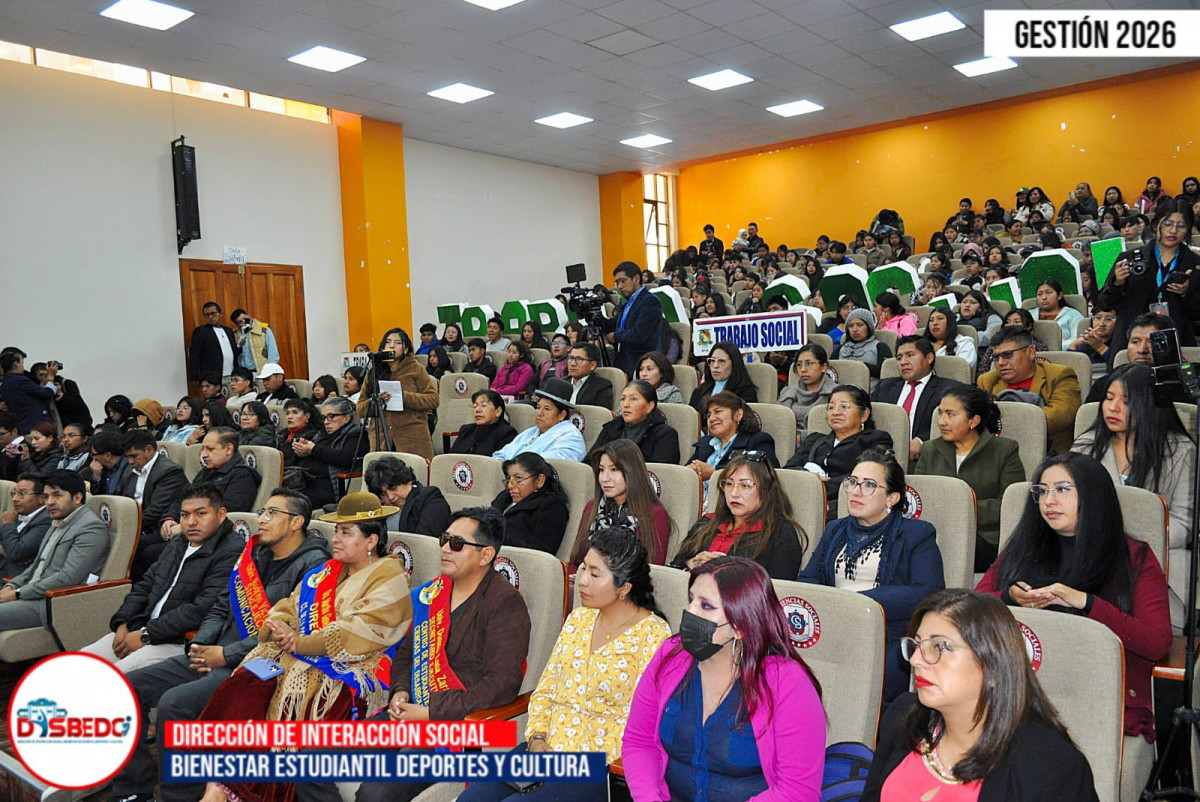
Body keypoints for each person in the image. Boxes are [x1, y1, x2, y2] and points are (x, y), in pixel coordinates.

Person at [114, 489, 330, 802]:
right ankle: (132, 789)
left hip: (258, 663)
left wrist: (225, 655)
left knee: (175, 704)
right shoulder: (255, 553)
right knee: (125, 686)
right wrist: (202, 644)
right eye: (263, 511)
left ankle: (178, 797)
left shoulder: (313, 568)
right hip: (214, 651)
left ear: (296, 522)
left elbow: (285, 633)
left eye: (272, 513)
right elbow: (219, 606)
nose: (262, 519)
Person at [197, 492, 413, 802]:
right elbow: (286, 606)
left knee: (301, 703)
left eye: (345, 532)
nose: (335, 539)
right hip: (288, 656)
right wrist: (282, 627)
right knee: (242, 689)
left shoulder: (389, 580)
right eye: (336, 531)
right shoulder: (324, 572)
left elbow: (359, 634)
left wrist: (299, 641)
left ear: (371, 541)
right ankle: (217, 790)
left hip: (346, 672)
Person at [459, 528, 672, 802]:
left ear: (624, 587)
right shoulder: (579, 620)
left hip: (596, 764)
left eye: (595, 575)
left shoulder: (654, 636)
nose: (581, 580)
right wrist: (536, 738)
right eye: (583, 568)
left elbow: (648, 723)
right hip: (544, 750)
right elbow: (546, 690)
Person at [978, 453, 1171, 751]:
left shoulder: (1134, 558)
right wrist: (1008, 599)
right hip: (1019, 689)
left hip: (1095, 694)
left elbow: (1157, 642)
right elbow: (973, 605)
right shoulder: (1024, 547)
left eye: (1062, 489)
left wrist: (1088, 603)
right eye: (1042, 491)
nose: (1048, 501)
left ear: (1093, 496)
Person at [356, 507, 531, 802]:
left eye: (458, 544)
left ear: (485, 556)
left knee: (376, 793)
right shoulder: (432, 594)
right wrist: (400, 692)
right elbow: (407, 653)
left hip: (454, 727)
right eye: (444, 539)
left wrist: (429, 714)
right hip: (408, 711)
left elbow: (501, 684)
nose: (446, 549)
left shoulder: (505, 604)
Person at [861, 589, 1098, 801]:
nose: (915, 660)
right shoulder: (904, 715)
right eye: (918, 644)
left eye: (940, 647)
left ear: (993, 666)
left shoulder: (1051, 767)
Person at [623, 556, 825, 799]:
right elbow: (639, 742)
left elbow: (797, 792)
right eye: (691, 600)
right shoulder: (671, 656)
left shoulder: (787, 683)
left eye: (706, 606)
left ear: (741, 625)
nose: (689, 612)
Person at [800, 449, 945, 700]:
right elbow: (808, 581)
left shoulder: (917, 534)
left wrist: (860, 603)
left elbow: (928, 593)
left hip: (887, 635)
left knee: (876, 670)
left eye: (869, 485)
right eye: (853, 482)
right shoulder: (835, 530)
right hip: (834, 627)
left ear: (892, 497)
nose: (856, 491)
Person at [1073, 364, 1196, 628]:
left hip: (1155, 560)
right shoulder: (1085, 446)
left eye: (1126, 401)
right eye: (1108, 397)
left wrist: (1125, 540)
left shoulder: (1181, 452)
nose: (1112, 407)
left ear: (1149, 406)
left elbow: (1185, 522)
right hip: (1092, 557)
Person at [79, 481, 241, 675]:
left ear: (221, 515)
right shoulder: (180, 542)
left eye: (201, 514)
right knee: (79, 663)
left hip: (178, 640)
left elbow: (201, 609)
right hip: (141, 628)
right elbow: (145, 585)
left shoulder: (232, 550)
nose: (190, 522)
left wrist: (146, 635)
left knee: (111, 678)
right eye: (184, 515)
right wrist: (123, 623)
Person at [915, 386, 1024, 571]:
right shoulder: (929, 449)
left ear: (974, 421)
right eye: (940, 413)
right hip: (934, 533)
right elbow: (918, 498)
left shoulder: (1005, 450)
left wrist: (960, 510)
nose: (942, 421)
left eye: (950, 414)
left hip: (982, 537)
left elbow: (1010, 505)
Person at [0, 471, 110, 630]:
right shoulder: (60, 520)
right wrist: (12, 586)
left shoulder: (91, 528)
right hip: (31, 593)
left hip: (51, 602)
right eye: (46, 496)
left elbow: (67, 578)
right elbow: (37, 566)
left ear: (77, 497)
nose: (49, 502)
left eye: (57, 495)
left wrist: (18, 593)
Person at [674, 452, 806, 579]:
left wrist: (725, 570)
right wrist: (693, 564)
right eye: (729, 484)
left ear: (766, 490)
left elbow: (777, 591)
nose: (734, 493)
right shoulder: (707, 522)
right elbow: (674, 568)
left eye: (745, 485)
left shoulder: (780, 533)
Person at [1098, 199, 1198, 351]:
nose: (1173, 231)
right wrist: (1117, 283)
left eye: (1181, 226)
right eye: (1167, 224)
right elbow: (1105, 303)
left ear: (1189, 229)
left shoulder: (1195, 263)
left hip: (1176, 343)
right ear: (1155, 225)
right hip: (1131, 342)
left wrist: (1186, 293)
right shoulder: (1129, 258)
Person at [569, 439, 671, 571]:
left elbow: (653, 570)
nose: (605, 478)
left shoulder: (654, 514)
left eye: (614, 469)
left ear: (632, 472)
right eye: (601, 470)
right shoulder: (592, 507)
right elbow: (576, 560)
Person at [977, 326, 1082, 454]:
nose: (1000, 362)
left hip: (1048, 453)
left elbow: (1061, 416)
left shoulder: (1060, 375)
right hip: (997, 452)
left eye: (1007, 355)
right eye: (996, 357)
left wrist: (1006, 421)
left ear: (1031, 352)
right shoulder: (987, 381)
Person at [788, 385, 894, 504]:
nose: (835, 413)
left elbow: (869, 477)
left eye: (844, 407)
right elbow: (788, 470)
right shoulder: (814, 440)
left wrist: (818, 487)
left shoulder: (876, 439)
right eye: (831, 407)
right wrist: (807, 477)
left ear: (864, 414)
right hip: (803, 499)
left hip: (845, 504)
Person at [873, 336, 964, 466]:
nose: (903, 362)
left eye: (910, 355)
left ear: (929, 358)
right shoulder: (884, 387)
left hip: (924, 459)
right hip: (881, 459)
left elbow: (956, 424)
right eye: (899, 358)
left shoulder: (949, 389)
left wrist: (922, 441)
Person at [358, 328, 439, 460]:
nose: (391, 346)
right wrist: (375, 401)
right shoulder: (374, 372)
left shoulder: (416, 369)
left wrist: (404, 396)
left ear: (406, 349)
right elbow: (360, 408)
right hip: (381, 439)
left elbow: (433, 399)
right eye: (388, 342)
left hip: (412, 438)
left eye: (397, 343)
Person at [121, 429, 189, 578]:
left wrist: (127, 527)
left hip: (155, 527)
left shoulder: (169, 471)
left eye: (134, 456)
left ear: (149, 450)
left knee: (130, 545)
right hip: (136, 524)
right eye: (128, 457)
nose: (130, 461)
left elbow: (156, 511)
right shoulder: (131, 470)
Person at [289, 397, 368, 509]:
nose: (326, 422)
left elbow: (345, 458)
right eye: (324, 418)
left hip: (329, 488)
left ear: (347, 417)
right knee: (279, 496)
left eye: (331, 416)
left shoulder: (355, 434)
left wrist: (313, 450)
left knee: (292, 503)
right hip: (306, 483)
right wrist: (301, 452)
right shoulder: (321, 434)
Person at [686, 391, 778, 480]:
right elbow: (686, 471)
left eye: (717, 411)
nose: (712, 418)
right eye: (709, 415)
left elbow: (767, 476)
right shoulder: (705, 443)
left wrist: (715, 473)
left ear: (738, 415)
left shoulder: (758, 441)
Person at [490, 453, 570, 554]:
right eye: (509, 478)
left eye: (518, 478)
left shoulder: (552, 505)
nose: (510, 485)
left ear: (539, 480)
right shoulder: (504, 498)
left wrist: (496, 537)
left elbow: (541, 551)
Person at [588, 380, 680, 465]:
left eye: (633, 399)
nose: (625, 405)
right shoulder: (611, 429)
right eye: (623, 399)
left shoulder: (664, 435)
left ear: (650, 406)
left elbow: (661, 475)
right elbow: (590, 462)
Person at [493, 378, 587, 462]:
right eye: (538, 407)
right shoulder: (531, 432)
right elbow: (503, 453)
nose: (539, 413)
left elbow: (553, 463)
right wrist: (500, 461)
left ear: (562, 415)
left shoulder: (571, 436)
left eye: (547, 409)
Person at [366, 455, 450, 537]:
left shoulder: (430, 498)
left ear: (406, 480)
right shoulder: (379, 509)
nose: (391, 497)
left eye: (393, 488)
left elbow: (424, 542)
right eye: (383, 494)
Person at [609, 261, 664, 379]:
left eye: (623, 281)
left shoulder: (650, 301)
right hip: (623, 362)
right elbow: (615, 324)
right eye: (617, 282)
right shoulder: (627, 303)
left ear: (636, 279)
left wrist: (615, 336)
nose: (619, 286)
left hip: (640, 364)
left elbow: (638, 335)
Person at [190, 427, 261, 514]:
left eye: (210, 449)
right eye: (203, 449)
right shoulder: (205, 471)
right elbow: (185, 497)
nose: (203, 455)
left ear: (228, 449)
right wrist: (171, 518)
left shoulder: (242, 475)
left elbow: (230, 511)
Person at [778, 342, 837, 440]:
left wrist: (799, 437)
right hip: (785, 443)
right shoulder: (786, 392)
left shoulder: (836, 394)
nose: (803, 369)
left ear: (824, 367)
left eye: (809, 363)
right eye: (799, 365)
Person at [0, 473, 51, 578]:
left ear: (42, 498)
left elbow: (16, 552)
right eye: (14, 493)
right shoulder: (20, 513)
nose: (15, 499)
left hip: (13, 579)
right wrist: (6, 550)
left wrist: (8, 524)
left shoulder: (46, 520)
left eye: (22, 494)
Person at [689, 341, 757, 414]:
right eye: (712, 361)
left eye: (721, 361)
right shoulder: (699, 391)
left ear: (734, 363)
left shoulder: (746, 392)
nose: (715, 366)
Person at [835, 308, 892, 387]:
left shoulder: (880, 347)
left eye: (860, 325)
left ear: (869, 327)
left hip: (868, 393)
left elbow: (885, 373)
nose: (855, 329)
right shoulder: (841, 348)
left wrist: (858, 366)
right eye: (851, 326)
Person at [0, 350, 54, 433]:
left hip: (23, 425)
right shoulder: (20, 380)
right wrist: (50, 377)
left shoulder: (5, 384)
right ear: (16, 363)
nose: (23, 366)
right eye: (22, 363)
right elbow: (47, 393)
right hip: (35, 425)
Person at [451, 390, 518, 455]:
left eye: (483, 405)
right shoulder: (466, 430)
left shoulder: (506, 433)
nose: (477, 410)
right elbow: (450, 457)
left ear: (498, 411)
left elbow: (499, 463)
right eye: (475, 406)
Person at [188, 300, 238, 384]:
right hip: (213, 377)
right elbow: (194, 355)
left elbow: (233, 352)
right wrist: (194, 377)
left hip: (232, 375)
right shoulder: (201, 331)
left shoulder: (228, 331)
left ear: (220, 314)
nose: (210, 317)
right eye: (207, 315)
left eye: (213, 314)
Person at [230, 308, 281, 374]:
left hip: (261, 371)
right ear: (237, 325)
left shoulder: (264, 329)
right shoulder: (235, 334)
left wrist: (271, 371)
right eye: (240, 322)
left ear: (249, 316)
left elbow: (273, 353)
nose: (244, 321)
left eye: (244, 318)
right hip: (244, 373)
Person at [1067, 302, 1118, 367]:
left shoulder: (1121, 344)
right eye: (1098, 318)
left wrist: (1100, 347)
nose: (1101, 324)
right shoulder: (1084, 343)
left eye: (1108, 319)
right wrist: (1074, 345)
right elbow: (1070, 367)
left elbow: (1119, 364)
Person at [1033, 279, 1084, 343]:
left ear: (1059, 295)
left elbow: (1078, 339)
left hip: (1064, 352)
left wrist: (1054, 347)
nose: (1044, 297)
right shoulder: (1029, 315)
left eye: (1049, 293)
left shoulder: (1073, 315)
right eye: (1039, 294)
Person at [567, 343, 614, 408]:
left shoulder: (602, 386)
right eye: (571, 358)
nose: (572, 363)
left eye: (579, 359)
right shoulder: (561, 383)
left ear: (592, 365)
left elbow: (602, 415)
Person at [89, 429, 132, 496]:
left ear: (108, 455)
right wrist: (96, 477)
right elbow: (96, 496)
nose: (94, 459)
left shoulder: (130, 467)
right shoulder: (101, 468)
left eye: (94, 455)